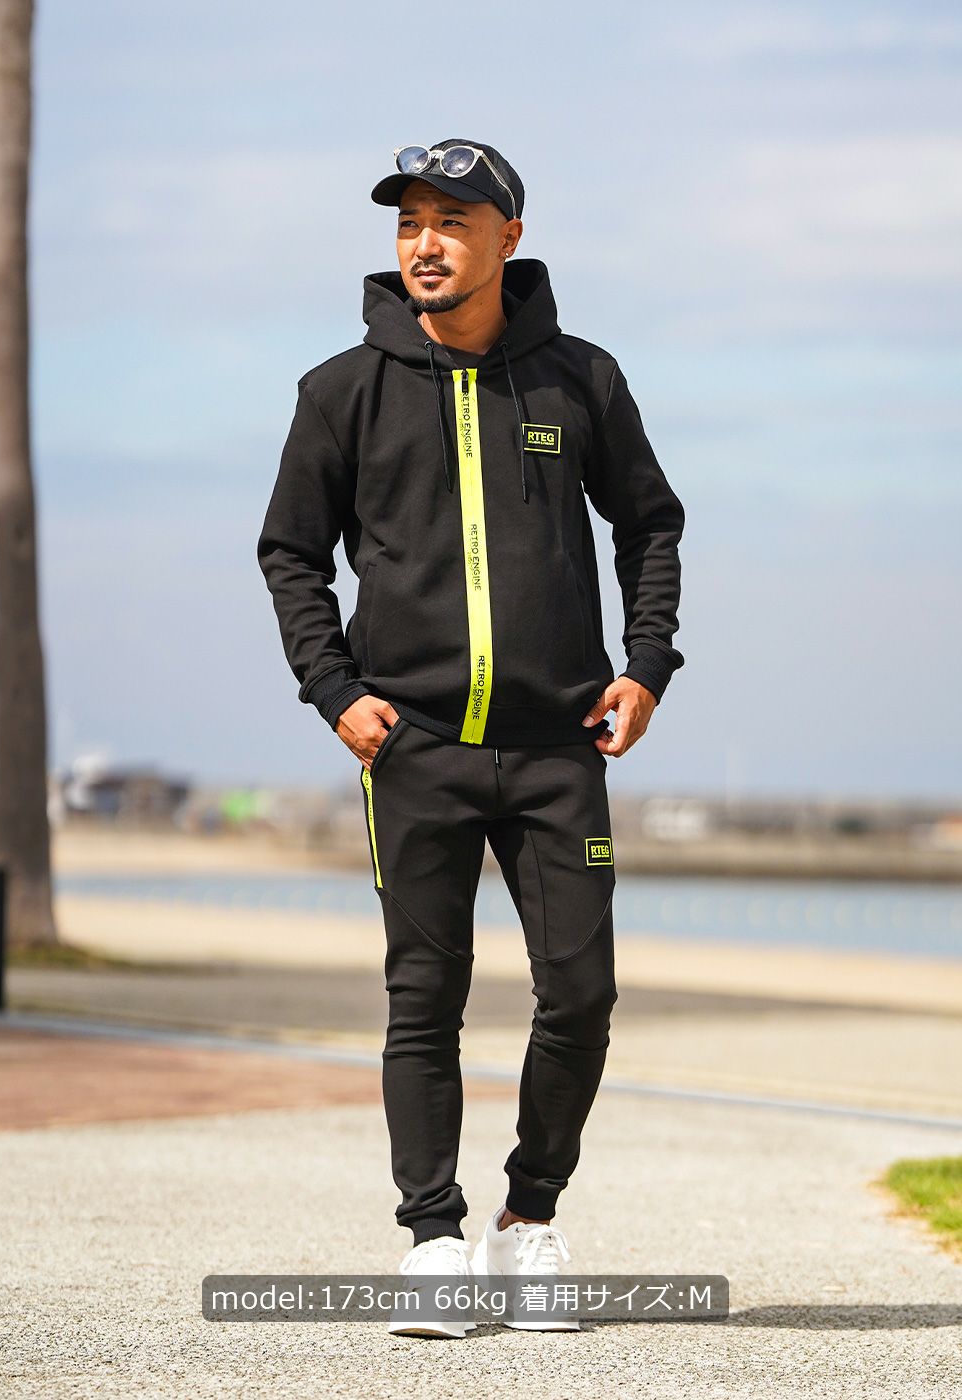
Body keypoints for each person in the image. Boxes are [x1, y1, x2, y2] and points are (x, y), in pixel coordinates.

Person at [257, 139, 686, 1337]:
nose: (425, 243)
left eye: (451, 221)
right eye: (409, 224)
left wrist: (646, 664)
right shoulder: (341, 390)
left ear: (508, 237)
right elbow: (290, 551)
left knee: (581, 993)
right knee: (423, 997)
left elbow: (649, 524)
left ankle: (528, 1218)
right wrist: (333, 687)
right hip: (415, 744)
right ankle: (434, 1240)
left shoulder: (582, 379)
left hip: (558, 743)